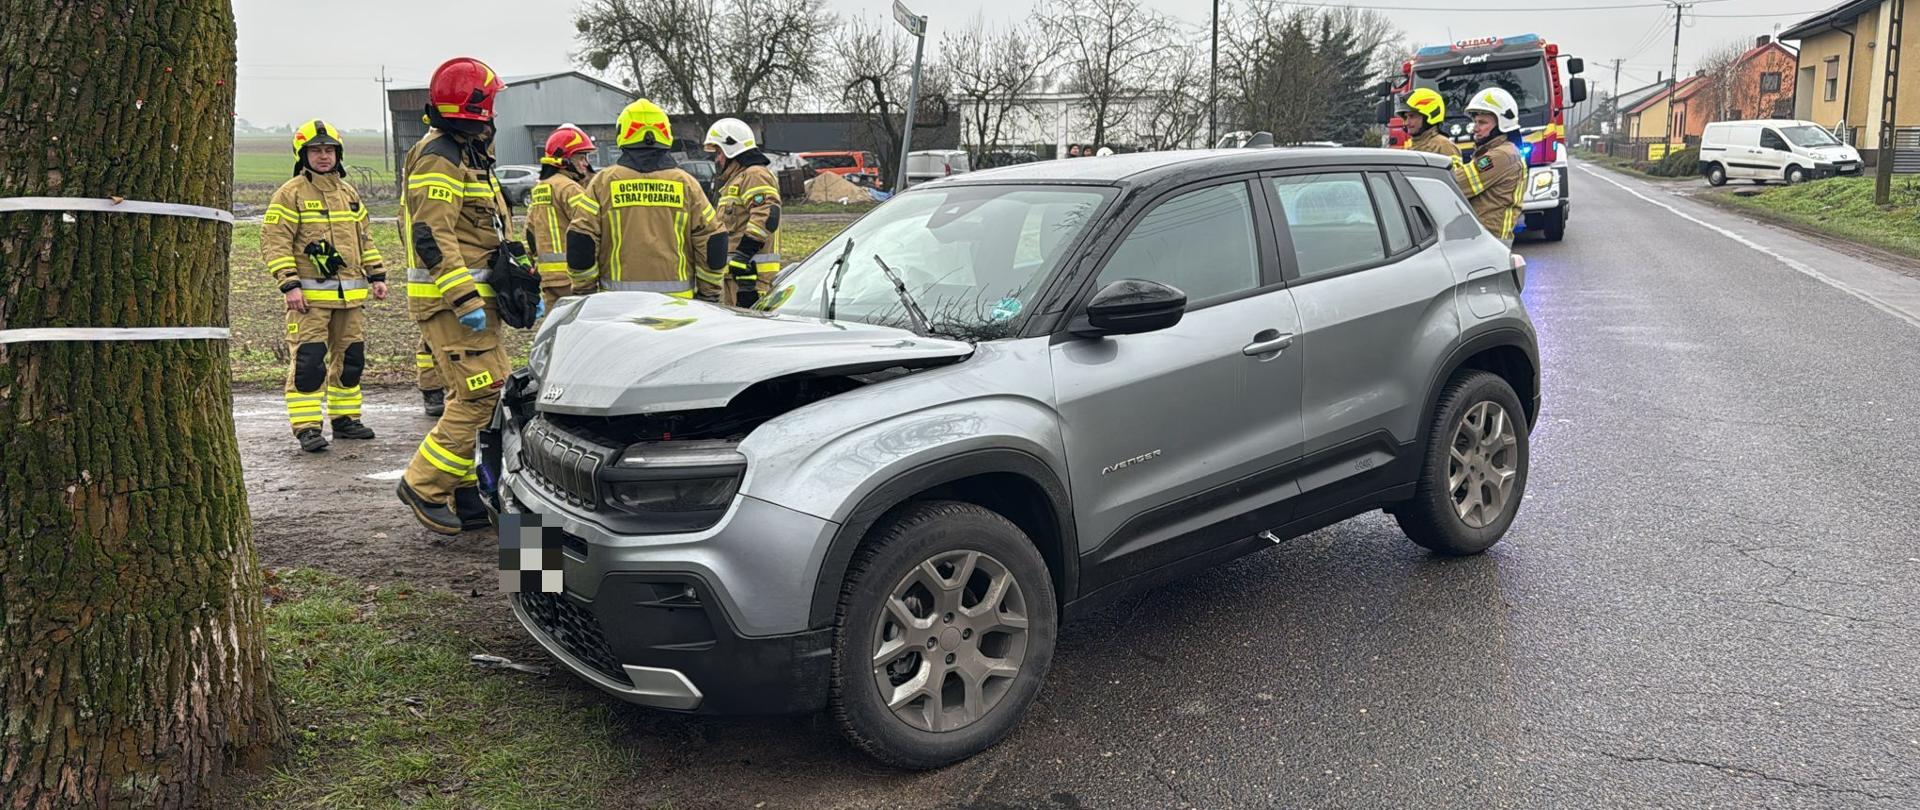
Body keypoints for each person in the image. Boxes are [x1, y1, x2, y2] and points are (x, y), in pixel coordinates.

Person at [395, 56, 528, 535]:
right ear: (477, 107)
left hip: (472, 303)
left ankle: (471, 495)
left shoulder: (467, 152)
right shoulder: (441, 155)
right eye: (490, 103)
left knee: (479, 399)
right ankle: (423, 485)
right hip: (454, 305)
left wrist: (514, 270)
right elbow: (432, 235)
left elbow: (480, 231)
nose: (495, 112)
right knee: (484, 398)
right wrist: (465, 300)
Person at [261, 119, 386, 453]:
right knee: (309, 364)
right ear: (303, 155)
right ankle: (307, 428)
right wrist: (289, 285)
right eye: (315, 150)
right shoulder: (290, 194)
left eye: (328, 150)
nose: (323, 156)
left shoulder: (349, 193)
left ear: (338, 153)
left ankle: (345, 420)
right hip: (310, 301)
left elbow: (365, 239)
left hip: (351, 298)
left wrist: (377, 276)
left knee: (351, 360)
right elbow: (275, 242)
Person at [567, 99, 726, 301]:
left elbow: (582, 240)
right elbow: (713, 240)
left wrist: (584, 293)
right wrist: (708, 295)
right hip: (678, 308)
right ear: (665, 133)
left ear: (623, 133)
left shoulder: (603, 183)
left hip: (618, 308)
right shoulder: (686, 184)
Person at [702, 117, 782, 308]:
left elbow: (767, 213)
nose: (717, 159)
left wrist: (744, 254)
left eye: (719, 152)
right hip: (738, 277)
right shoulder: (737, 180)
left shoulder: (755, 175)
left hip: (751, 279)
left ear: (732, 149)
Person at [526, 123, 599, 307]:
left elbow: (529, 231)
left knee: (556, 329)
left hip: (548, 278)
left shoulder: (541, 187)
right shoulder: (569, 188)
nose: (585, 164)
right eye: (581, 158)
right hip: (571, 276)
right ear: (564, 160)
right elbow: (589, 227)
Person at [1452, 87, 1527, 247]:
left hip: (1490, 240)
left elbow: (1456, 184)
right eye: (1475, 122)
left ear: (1502, 124)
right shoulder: (1503, 151)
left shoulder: (1500, 156)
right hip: (1488, 238)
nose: (1475, 128)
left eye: (1482, 122)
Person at [1398, 87, 1461, 164]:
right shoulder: (1409, 147)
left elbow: (1455, 175)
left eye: (1412, 116)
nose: (1406, 123)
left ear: (1429, 116)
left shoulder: (1443, 146)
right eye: (1405, 117)